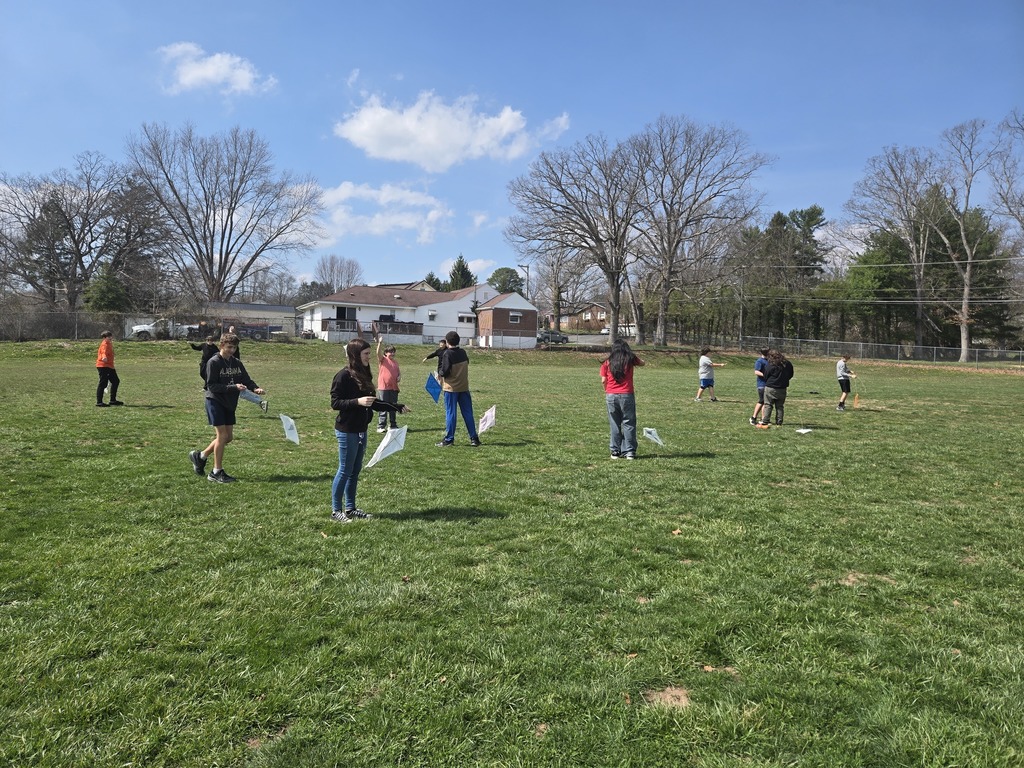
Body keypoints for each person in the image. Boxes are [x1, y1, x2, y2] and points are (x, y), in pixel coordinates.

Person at [330, 339, 409, 523]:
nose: (369, 357)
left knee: (355, 470)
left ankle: (350, 509)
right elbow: (335, 403)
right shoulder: (342, 375)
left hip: (361, 429)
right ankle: (336, 511)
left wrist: (396, 406)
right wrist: (357, 402)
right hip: (347, 430)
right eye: (366, 354)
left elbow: (373, 402)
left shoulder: (365, 373)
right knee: (345, 470)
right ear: (355, 355)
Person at [189, 333, 265, 483]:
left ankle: (200, 456)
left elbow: (246, 379)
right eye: (229, 347)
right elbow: (211, 386)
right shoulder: (214, 362)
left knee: (228, 438)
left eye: (234, 347)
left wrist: (255, 388)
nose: (232, 350)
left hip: (229, 403)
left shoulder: (236, 362)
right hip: (215, 401)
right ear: (221, 345)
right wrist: (233, 387)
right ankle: (216, 472)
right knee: (222, 436)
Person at [600, 339, 645, 460]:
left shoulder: (607, 362)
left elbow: (603, 380)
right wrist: (631, 354)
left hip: (611, 394)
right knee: (629, 423)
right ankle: (629, 451)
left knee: (614, 423)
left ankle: (615, 451)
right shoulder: (630, 360)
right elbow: (643, 363)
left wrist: (607, 391)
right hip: (627, 394)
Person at [435, 331, 480, 447]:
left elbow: (445, 371)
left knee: (451, 413)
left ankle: (449, 439)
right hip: (464, 387)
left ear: (447, 341)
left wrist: (439, 374)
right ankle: (474, 438)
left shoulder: (447, 354)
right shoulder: (463, 352)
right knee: (468, 413)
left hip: (451, 388)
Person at [756, 349, 795, 429]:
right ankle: (779, 422)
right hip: (782, 388)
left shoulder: (771, 364)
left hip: (770, 387)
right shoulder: (787, 364)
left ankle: (765, 422)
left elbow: (766, 375)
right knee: (780, 406)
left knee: (768, 405)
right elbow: (791, 374)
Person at [375, 339, 402, 433]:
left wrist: (399, 376)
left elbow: (398, 372)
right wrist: (380, 343)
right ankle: (381, 426)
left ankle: (393, 425)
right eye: (390, 352)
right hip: (384, 387)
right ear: (386, 353)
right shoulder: (383, 360)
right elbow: (377, 353)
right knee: (383, 406)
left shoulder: (395, 362)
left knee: (393, 406)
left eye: (393, 352)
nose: (392, 353)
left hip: (393, 388)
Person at [95, 330, 124, 407]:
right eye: (108, 337)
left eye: (111, 336)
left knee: (115, 381)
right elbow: (103, 352)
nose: (110, 338)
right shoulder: (104, 344)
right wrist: (104, 357)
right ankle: (99, 402)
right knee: (103, 383)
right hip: (103, 366)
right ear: (104, 338)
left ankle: (112, 400)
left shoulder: (109, 343)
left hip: (109, 366)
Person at [750, 347, 769, 425]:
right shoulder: (760, 361)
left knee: (765, 402)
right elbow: (756, 372)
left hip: (768, 384)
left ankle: (763, 419)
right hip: (761, 384)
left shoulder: (769, 361)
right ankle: (753, 418)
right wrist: (765, 375)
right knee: (761, 401)